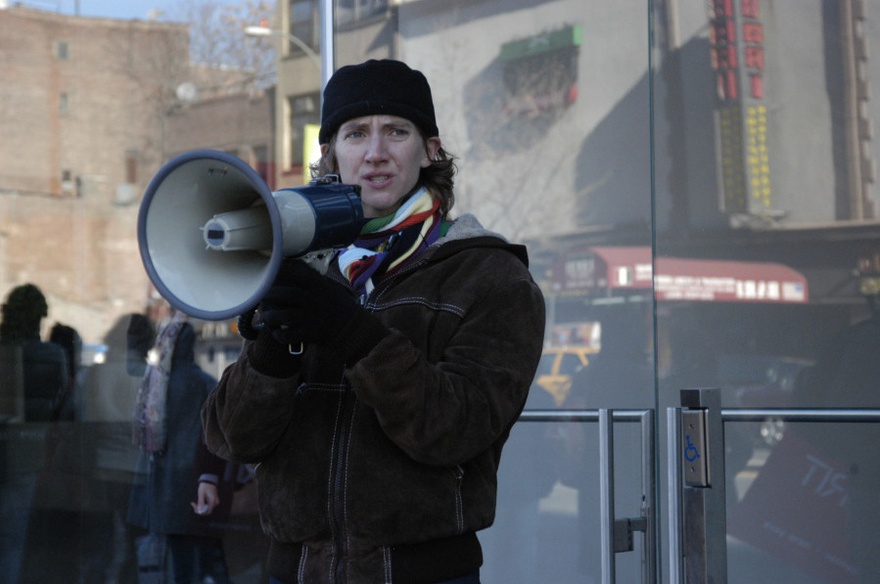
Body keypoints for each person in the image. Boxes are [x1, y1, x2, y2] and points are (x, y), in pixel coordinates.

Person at [201, 59, 546, 584]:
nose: (376, 152)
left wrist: (354, 335)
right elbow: (234, 439)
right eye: (356, 133)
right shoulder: (306, 267)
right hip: (295, 572)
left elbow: (456, 429)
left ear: (430, 150)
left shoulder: (489, 276)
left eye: (397, 131)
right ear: (331, 154)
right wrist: (272, 353)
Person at [128, 311, 236, 584]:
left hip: (166, 478)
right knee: (209, 555)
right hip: (197, 477)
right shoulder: (205, 383)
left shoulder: (158, 385)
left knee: (180, 559)